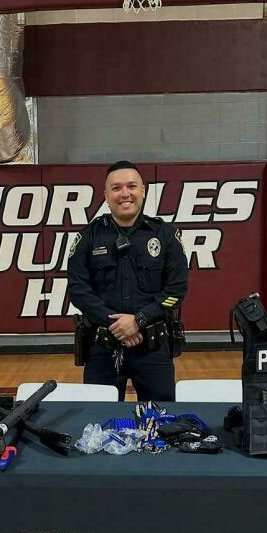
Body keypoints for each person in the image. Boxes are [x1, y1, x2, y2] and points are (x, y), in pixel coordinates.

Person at [67, 161, 189, 401]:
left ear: (143, 190)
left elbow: (176, 290)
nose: (125, 194)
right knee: (99, 425)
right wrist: (118, 326)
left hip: (153, 349)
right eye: (116, 188)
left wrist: (139, 320)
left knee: (160, 422)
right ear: (105, 195)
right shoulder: (88, 237)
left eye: (132, 186)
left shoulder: (165, 235)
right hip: (102, 349)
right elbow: (78, 290)